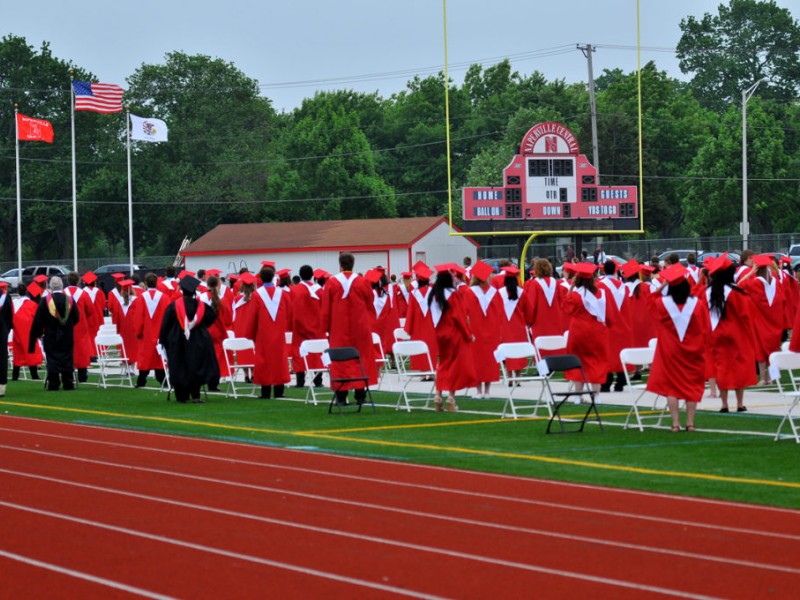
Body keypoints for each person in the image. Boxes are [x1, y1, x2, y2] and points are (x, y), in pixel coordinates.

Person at [645, 264, 710, 432]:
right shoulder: (697, 305)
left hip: (670, 351)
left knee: (671, 387)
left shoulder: (662, 304)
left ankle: (675, 424)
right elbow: (705, 327)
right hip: (693, 351)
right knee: (692, 386)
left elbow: (649, 300)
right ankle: (690, 423)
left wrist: (663, 285)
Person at [320, 251, 378, 406]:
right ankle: (360, 394)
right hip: (360, 327)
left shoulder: (331, 283)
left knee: (340, 360)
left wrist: (325, 328)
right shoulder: (362, 282)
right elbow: (370, 302)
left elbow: (326, 308)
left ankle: (341, 395)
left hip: (338, 328)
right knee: (361, 358)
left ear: (340, 264)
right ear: (353, 264)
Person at [704, 253, 758, 413]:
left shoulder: (707, 292)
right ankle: (740, 404)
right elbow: (746, 314)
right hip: (736, 335)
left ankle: (724, 404)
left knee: (721, 368)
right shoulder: (736, 293)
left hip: (716, 335)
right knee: (738, 367)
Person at [158, 276, 218, 403]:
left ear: (182, 290)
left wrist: (163, 339)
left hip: (178, 340)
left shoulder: (174, 306)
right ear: (193, 291)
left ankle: (181, 396)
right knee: (195, 365)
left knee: (179, 365)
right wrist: (199, 327)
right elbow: (211, 318)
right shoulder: (200, 306)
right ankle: (195, 395)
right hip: (198, 340)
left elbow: (166, 324)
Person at [561, 262, 616, 393]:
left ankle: (578, 396)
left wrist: (571, 288)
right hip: (597, 331)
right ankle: (596, 395)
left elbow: (566, 307)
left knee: (577, 361)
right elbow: (609, 315)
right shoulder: (602, 293)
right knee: (596, 362)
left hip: (578, 331)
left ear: (577, 279)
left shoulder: (576, 295)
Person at [429, 265, 476, 411]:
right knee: (455, 365)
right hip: (454, 333)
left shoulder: (434, 294)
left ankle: (438, 396)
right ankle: (451, 398)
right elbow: (459, 317)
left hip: (440, 333)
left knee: (442, 364)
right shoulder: (454, 294)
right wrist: (469, 334)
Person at [245, 265, 293, 399]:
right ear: (273, 277)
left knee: (264, 361)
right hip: (279, 332)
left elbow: (252, 316)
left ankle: (265, 392)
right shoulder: (282, 294)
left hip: (263, 334)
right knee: (279, 360)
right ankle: (279, 391)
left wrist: (250, 334)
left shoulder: (256, 295)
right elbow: (289, 313)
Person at [738, 254, 785, 385]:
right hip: (776, 322)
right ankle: (773, 377)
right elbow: (784, 300)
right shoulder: (776, 281)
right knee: (774, 349)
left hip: (760, 322)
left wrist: (750, 273)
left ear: (757, 269)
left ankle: (764, 379)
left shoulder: (756, 283)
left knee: (760, 350)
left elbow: (739, 286)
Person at [28, 276, 79, 391]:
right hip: (67, 334)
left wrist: (39, 333)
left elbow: (38, 320)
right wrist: (68, 326)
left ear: (50, 286)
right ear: (62, 286)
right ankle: (68, 383)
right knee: (67, 357)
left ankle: (54, 384)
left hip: (51, 334)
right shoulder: (70, 300)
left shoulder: (45, 301)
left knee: (52, 358)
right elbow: (76, 317)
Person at [462, 260, 503, 399]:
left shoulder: (469, 293)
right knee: (489, 360)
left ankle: (478, 391)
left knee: (477, 359)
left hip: (475, 330)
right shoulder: (495, 293)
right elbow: (500, 313)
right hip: (492, 331)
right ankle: (487, 391)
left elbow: (465, 313)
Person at [133, 273, 171, 388]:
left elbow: (138, 317)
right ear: (157, 283)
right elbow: (168, 317)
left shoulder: (141, 298)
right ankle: (163, 380)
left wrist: (138, 332)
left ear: (145, 283)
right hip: (161, 333)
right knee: (159, 358)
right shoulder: (164, 298)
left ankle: (141, 380)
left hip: (146, 334)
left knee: (146, 357)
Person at [290, 265, 324, 388]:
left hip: (300, 326)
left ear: (300, 275)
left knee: (300, 352)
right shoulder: (319, 290)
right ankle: (318, 380)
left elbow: (292, 310)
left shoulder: (295, 290)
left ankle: (300, 381)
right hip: (317, 327)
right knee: (317, 353)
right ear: (312, 275)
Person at [65, 271, 96, 383]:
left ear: (68, 281)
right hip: (81, 325)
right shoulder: (83, 294)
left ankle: (69, 374)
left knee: (68, 348)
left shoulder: (64, 293)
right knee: (82, 349)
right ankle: (82, 376)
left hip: (66, 325)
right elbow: (91, 310)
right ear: (78, 281)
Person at [203, 274, 233, 392]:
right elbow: (228, 320)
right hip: (217, 333)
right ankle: (213, 383)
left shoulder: (201, 298)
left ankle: (204, 380)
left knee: (205, 357)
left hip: (204, 331)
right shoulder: (222, 300)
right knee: (217, 358)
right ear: (218, 285)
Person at [11, 283, 44, 381]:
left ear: (17, 292)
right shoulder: (32, 304)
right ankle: (34, 375)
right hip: (29, 333)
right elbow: (38, 320)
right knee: (31, 353)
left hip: (17, 332)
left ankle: (15, 376)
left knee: (17, 354)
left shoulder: (13, 304)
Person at [0, 282, 12, 396]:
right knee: (2, 358)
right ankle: (1, 386)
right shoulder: (5, 296)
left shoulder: (5, 296)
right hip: (2, 329)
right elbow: (9, 316)